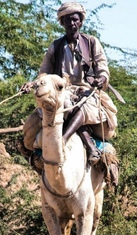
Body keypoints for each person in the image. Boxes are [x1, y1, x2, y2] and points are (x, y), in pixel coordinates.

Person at [19, 1, 118, 166]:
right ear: (62, 22)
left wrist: (101, 78)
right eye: (68, 20)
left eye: (75, 19)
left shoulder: (92, 42)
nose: (72, 23)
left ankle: (64, 141)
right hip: (61, 91)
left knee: (82, 106)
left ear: (81, 21)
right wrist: (33, 84)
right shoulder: (55, 47)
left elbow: (102, 67)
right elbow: (43, 72)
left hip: (88, 91)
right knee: (54, 109)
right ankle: (84, 144)